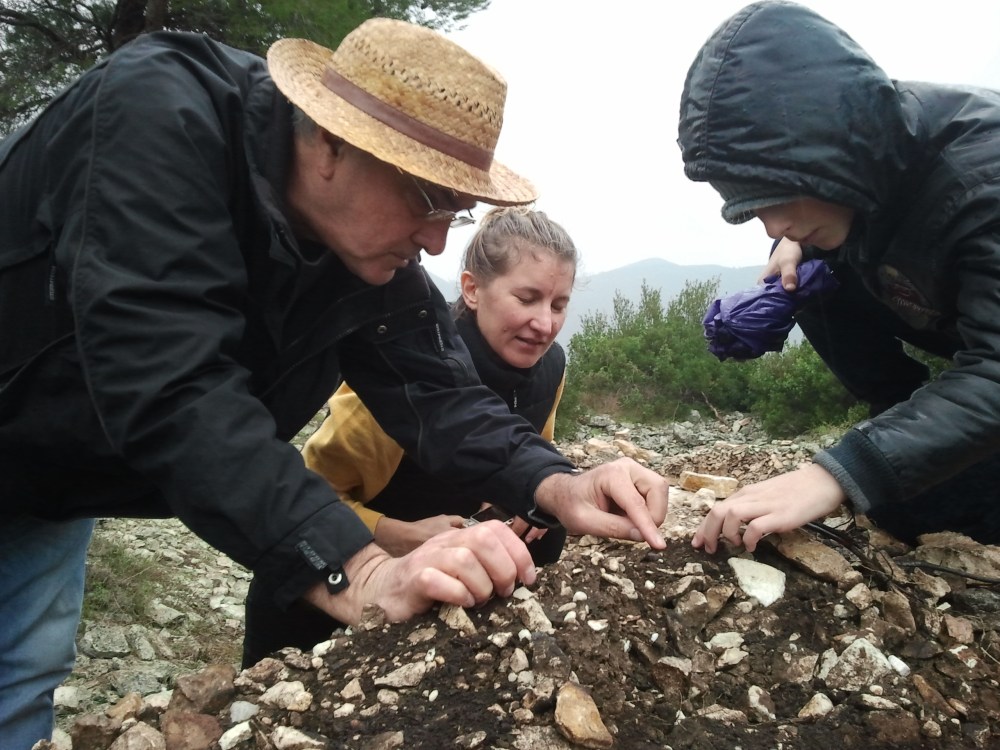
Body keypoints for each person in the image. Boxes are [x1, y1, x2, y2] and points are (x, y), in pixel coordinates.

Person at [0, 20, 669, 749]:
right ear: (332, 142)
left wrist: (560, 483)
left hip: (48, 471)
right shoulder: (162, 114)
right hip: (24, 426)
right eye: (427, 198)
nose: (439, 241)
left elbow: (443, 396)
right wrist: (364, 570)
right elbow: (173, 383)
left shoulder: (360, 252)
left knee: (20, 671)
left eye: (457, 209)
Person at [676, 0, 1000, 553]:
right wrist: (797, 243)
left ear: (828, 152)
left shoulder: (980, 184)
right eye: (755, 211)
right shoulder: (864, 170)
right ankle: (901, 415)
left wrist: (839, 471)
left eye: (777, 201)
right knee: (907, 503)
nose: (772, 227)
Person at [243, 206, 577, 665]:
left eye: (558, 305)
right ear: (472, 289)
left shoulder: (551, 368)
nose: (545, 324)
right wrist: (397, 535)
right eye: (526, 298)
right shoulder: (398, 380)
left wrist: (533, 498)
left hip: (438, 595)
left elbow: (532, 448)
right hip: (330, 594)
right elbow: (305, 500)